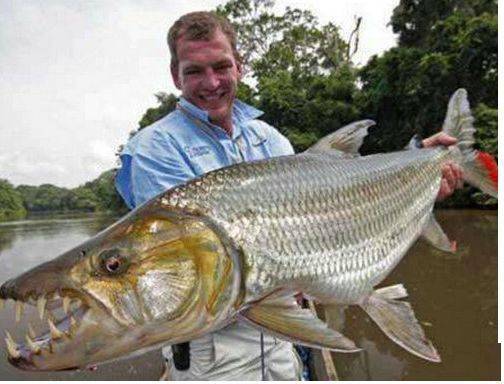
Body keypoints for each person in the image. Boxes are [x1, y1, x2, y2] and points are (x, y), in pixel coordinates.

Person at [115, 11, 462, 381]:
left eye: (221, 66)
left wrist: (415, 167)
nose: (211, 82)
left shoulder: (270, 138)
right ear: (175, 76)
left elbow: (332, 202)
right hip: (212, 357)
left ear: (239, 66)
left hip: (283, 344)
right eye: (194, 71)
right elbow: (177, 274)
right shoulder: (154, 148)